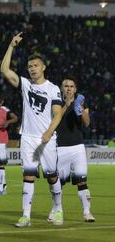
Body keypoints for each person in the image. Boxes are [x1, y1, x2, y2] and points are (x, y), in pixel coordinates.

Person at [1, 32, 63, 227]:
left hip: (46, 139)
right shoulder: (25, 84)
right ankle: (26, 216)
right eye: (29, 66)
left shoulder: (53, 89)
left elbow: (58, 113)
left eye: (35, 65)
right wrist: (11, 46)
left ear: (43, 67)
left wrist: (49, 131)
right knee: (28, 175)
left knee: (52, 175)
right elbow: (4, 70)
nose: (32, 69)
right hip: (27, 137)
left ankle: (58, 209)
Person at [47, 76, 95, 222]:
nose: (68, 88)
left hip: (78, 147)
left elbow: (86, 123)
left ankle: (87, 212)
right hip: (60, 148)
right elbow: (54, 118)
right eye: (66, 86)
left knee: (82, 181)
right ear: (61, 88)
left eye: (71, 86)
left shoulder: (81, 102)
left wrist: (80, 111)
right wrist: (67, 105)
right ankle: (56, 209)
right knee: (58, 183)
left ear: (75, 89)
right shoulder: (55, 103)